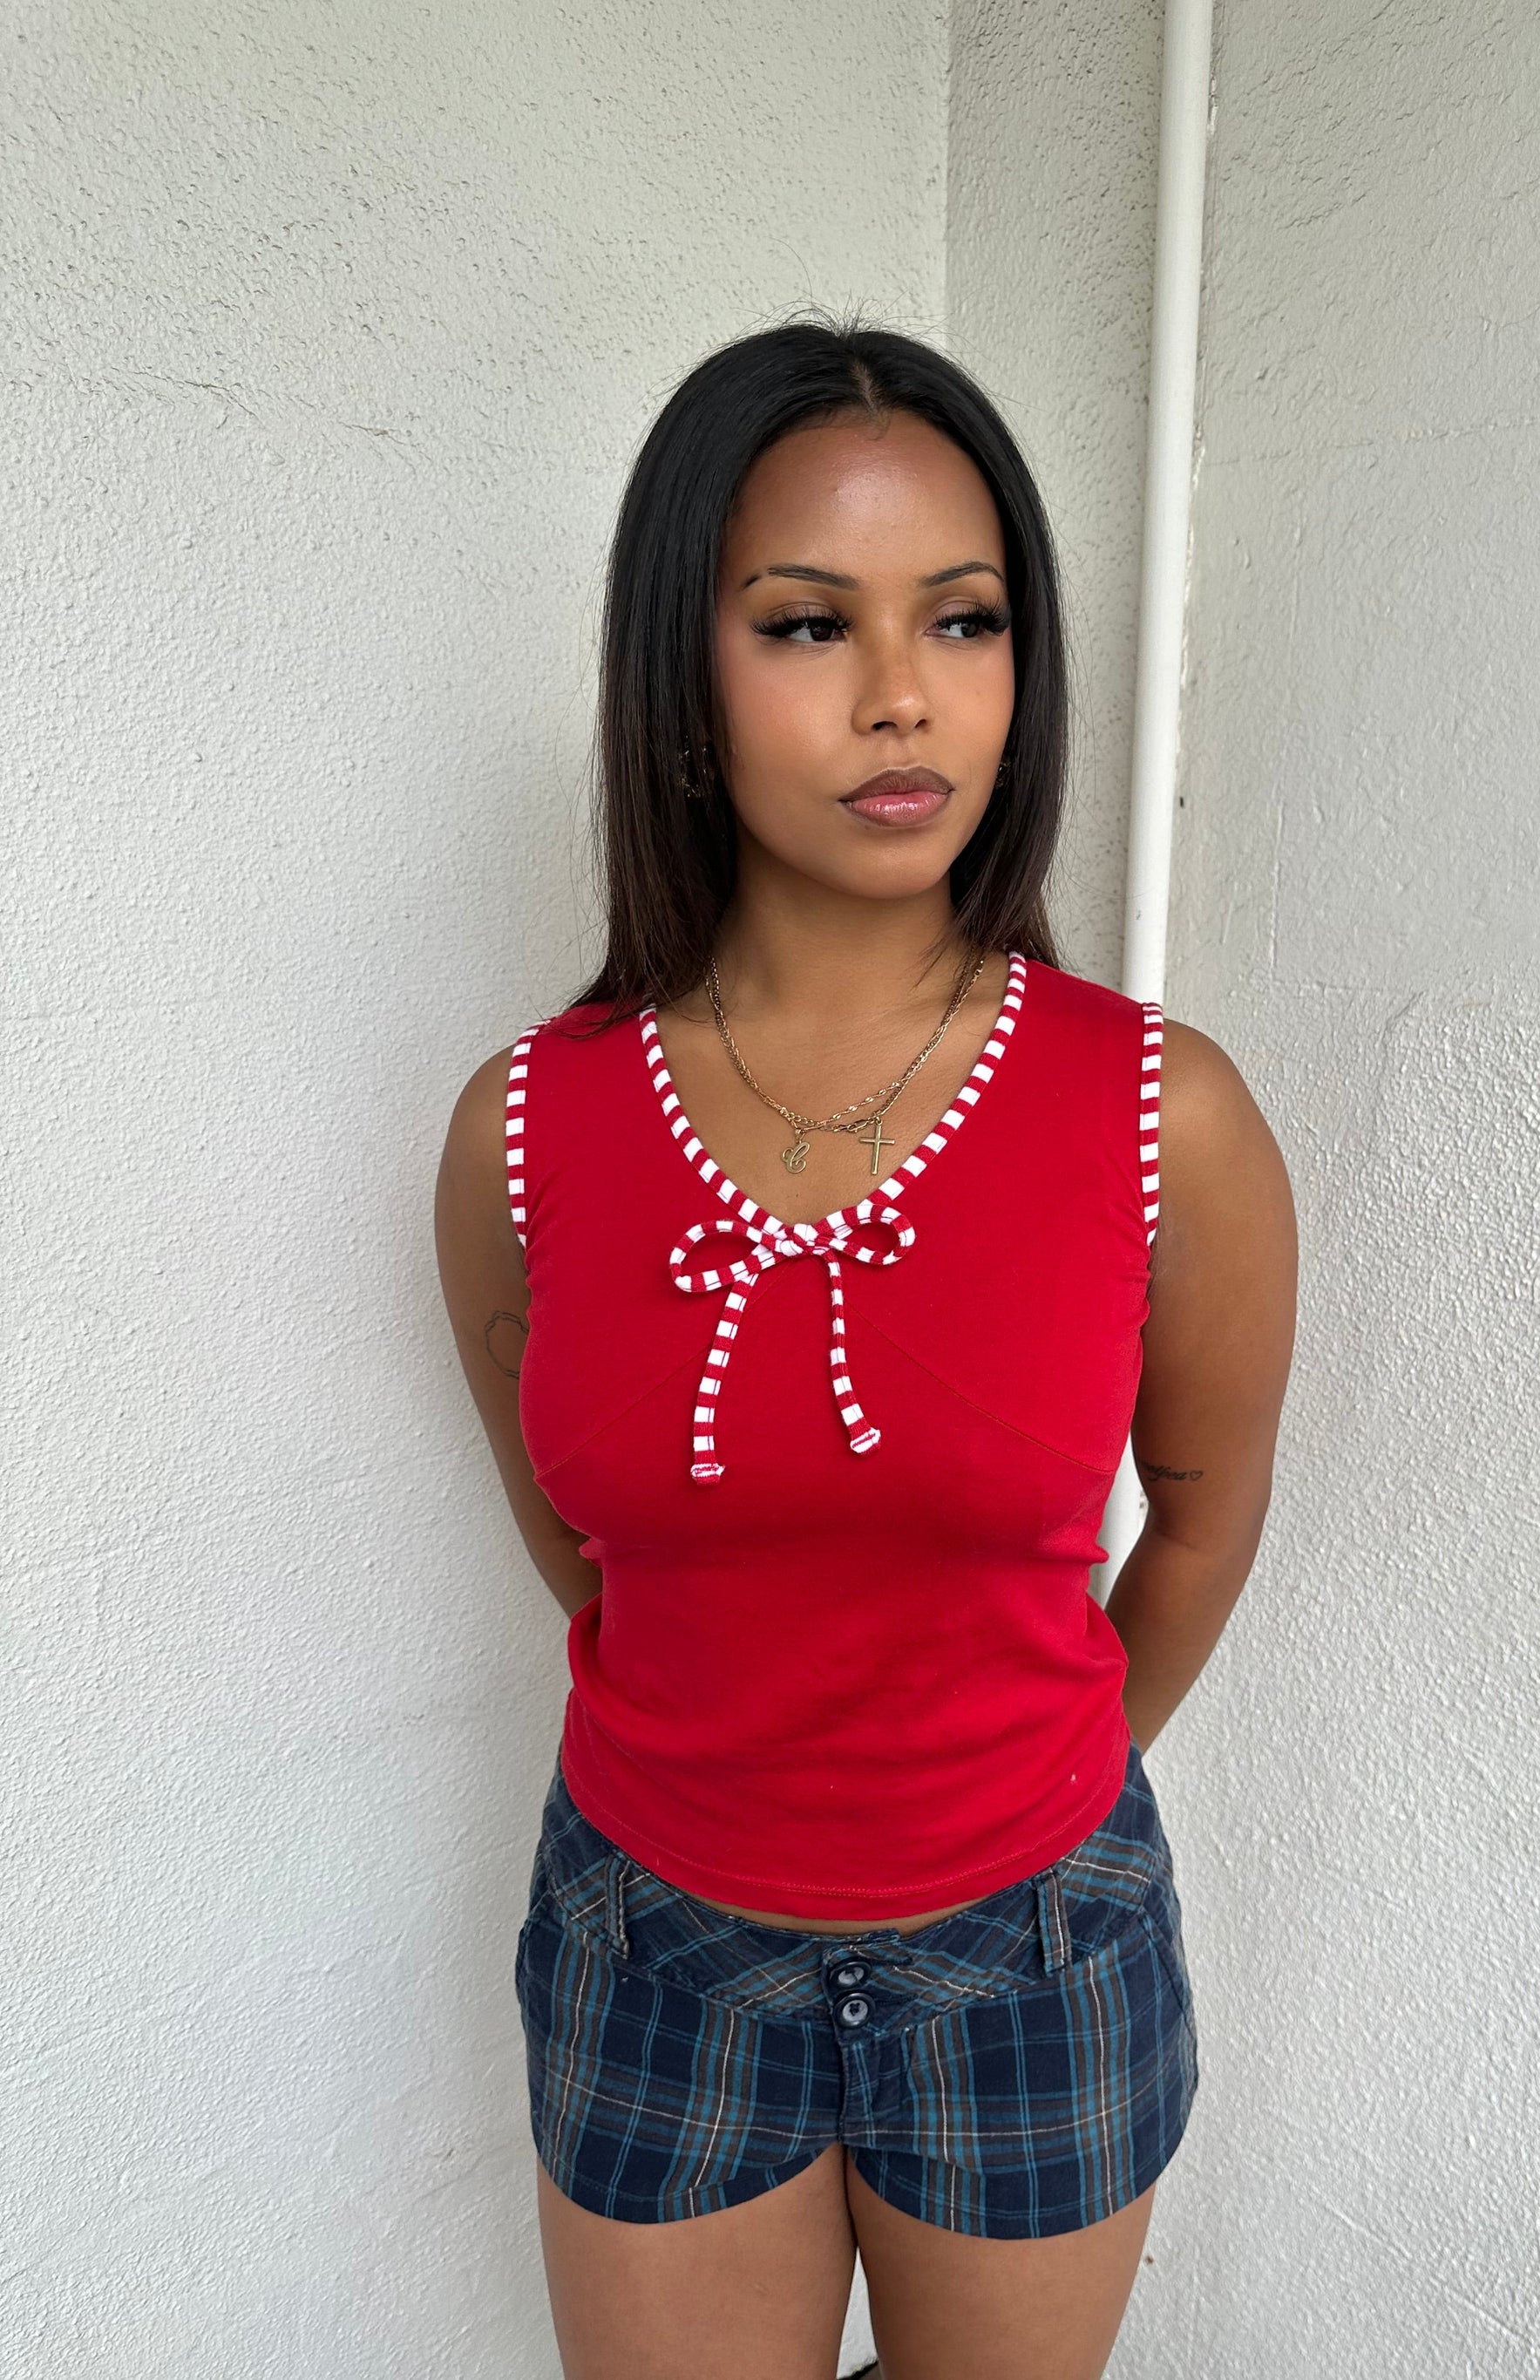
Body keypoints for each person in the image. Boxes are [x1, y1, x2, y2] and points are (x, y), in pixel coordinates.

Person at [434, 310, 1298, 2380]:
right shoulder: (522, 1134)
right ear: (682, 675)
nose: (905, 692)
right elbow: (588, 1538)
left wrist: (1007, 1790)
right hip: (655, 1943)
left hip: (1032, 1953)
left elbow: (1196, 1520)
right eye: (809, 625)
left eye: (968, 618)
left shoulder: (1164, 1116)